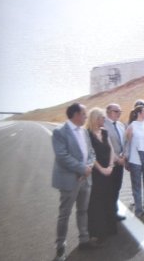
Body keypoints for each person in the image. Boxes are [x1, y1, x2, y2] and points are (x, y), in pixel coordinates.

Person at [51, 103, 97, 261]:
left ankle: (84, 239)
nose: (86, 117)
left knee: (83, 211)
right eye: (84, 114)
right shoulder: (59, 132)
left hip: (85, 178)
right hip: (70, 180)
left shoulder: (84, 131)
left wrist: (89, 166)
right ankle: (60, 247)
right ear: (76, 115)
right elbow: (62, 156)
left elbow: (91, 152)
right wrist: (82, 169)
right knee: (64, 214)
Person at [87, 108, 116, 242]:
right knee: (97, 202)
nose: (104, 120)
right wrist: (102, 169)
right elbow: (90, 155)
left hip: (109, 171)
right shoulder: (87, 134)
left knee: (109, 199)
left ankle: (110, 228)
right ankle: (98, 232)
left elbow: (111, 150)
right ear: (95, 119)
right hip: (96, 173)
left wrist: (110, 166)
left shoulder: (104, 132)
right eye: (102, 118)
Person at [125, 105, 144, 219]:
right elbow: (127, 144)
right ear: (139, 113)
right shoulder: (131, 127)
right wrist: (126, 160)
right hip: (135, 161)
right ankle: (138, 211)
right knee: (137, 187)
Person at [104, 103, 126, 221]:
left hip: (120, 162)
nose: (118, 113)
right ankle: (108, 214)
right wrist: (117, 159)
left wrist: (123, 156)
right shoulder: (103, 125)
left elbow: (124, 143)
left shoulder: (121, 125)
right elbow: (105, 146)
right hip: (108, 163)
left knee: (117, 187)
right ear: (108, 112)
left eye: (120, 111)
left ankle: (114, 212)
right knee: (108, 189)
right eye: (116, 111)